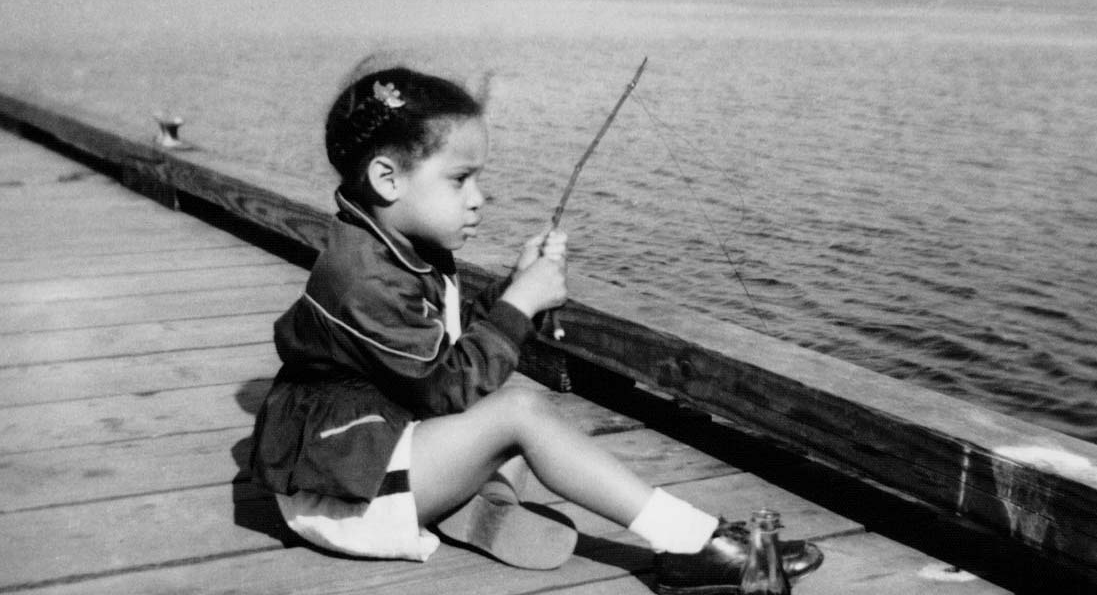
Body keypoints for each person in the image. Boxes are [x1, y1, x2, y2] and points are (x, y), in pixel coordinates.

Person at [247, 63, 822, 593]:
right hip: (340, 498)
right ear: (387, 179)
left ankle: (475, 504)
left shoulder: (394, 246)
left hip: (370, 456)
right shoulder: (360, 277)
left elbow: (439, 354)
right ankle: (690, 542)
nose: (479, 199)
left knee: (520, 442)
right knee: (520, 415)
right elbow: (447, 390)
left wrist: (509, 288)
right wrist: (520, 303)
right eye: (459, 180)